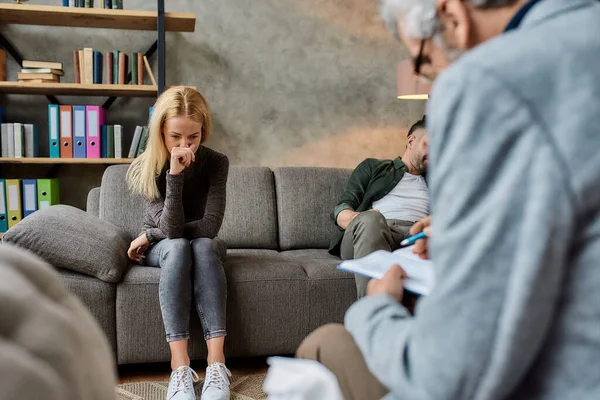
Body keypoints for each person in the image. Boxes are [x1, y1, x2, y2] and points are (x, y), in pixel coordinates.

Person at [297, 0, 600, 399]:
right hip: (375, 229)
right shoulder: (583, 33)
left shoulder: (488, 82)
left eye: (422, 61)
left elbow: (448, 376)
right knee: (372, 223)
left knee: (323, 344)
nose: (433, 78)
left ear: (453, 16)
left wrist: (374, 311)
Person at [126, 86, 231, 400]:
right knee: (180, 246)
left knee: (203, 245)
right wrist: (174, 173)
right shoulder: (152, 165)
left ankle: (216, 364)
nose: (185, 146)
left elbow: (210, 227)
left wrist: (148, 234)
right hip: (166, 249)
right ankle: (180, 366)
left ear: (203, 132)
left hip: (184, 242)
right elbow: (171, 231)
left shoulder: (216, 163)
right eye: (176, 137)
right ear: (161, 131)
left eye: (193, 137)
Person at [329, 116, 429, 298]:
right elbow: (342, 207)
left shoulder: (439, 181)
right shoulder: (374, 167)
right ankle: (372, 311)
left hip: (416, 237)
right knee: (372, 219)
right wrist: (360, 218)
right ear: (411, 141)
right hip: (375, 230)